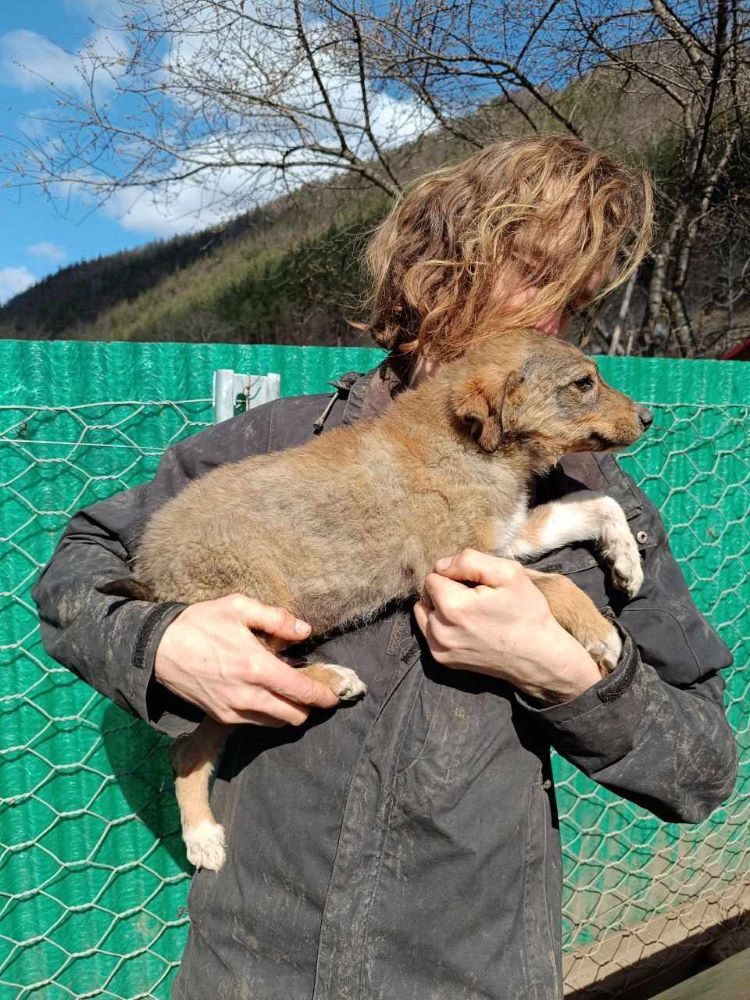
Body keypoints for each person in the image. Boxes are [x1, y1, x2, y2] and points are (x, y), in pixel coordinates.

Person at [33, 136, 737, 1000]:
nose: (552, 315)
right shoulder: (278, 440)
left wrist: (566, 675)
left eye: (575, 294)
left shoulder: (599, 503)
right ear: (436, 265)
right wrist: (160, 640)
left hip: (473, 977)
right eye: (532, 271)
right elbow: (75, 574)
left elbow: (704, 770)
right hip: (248, 971)